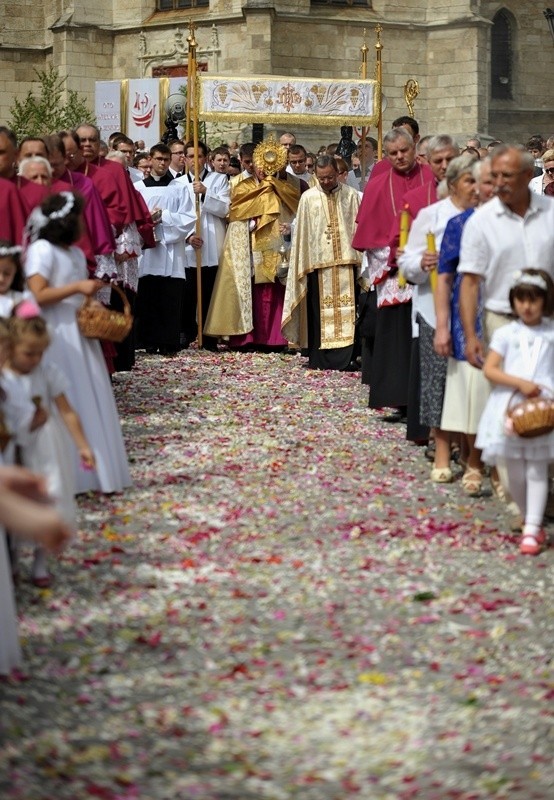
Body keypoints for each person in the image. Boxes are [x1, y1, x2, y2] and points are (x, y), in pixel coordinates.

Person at [23, 191, 132, 494]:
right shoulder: (42, 250)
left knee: (88, 393)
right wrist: (77, 287)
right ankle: (61, 474)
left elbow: (77, 296)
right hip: (55, 333)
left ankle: (91, 471)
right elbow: (38, 294)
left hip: (79, 331)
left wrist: (91, 303)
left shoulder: (72, 253)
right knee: (65, 393)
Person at [398, 153, 479, 483]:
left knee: (471, 386)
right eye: (470, 180)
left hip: (476, 311)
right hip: (435, 308)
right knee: (438, 384)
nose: (477, 188)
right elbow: (407, 262)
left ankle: (473, 454)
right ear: (454, 183)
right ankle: (443, 448)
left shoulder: (486, 217)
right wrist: (423, 261)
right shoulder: (432, 215)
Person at [4, 312, 95, 587]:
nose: (35, 359)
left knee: (48, 494)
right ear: (11, 348)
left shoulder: (47, 373)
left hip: (45, 447)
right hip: (13, 448)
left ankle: (40, 562)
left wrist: (82, 445)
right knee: (16, 500)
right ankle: (13, 559)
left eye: (40, 353)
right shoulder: (4, 377)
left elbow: (67, 412)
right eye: (29, 353)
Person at [352, 127, 433, 421]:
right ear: (386, 155)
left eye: (405, 151)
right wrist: (393, 259)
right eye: (393, 153)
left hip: (429, 272)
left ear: (414, 148)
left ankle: (426, 398)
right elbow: (369, 239)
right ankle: (399, 399)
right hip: (392, 274)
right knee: (397, 337)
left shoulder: (432, 179)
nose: (400, 157)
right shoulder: (377, 184)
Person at [476, 270, 554, 555]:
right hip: (509, 406)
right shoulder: (506, 333)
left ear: (544, 301)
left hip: (544, 406)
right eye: (521, 299)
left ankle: (532, 528)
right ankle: (526, 516)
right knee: (515, 474)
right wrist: (520, 382)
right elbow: (490, 369)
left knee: (536, 469)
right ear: (513, 301)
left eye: (533, 300)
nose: (527, 306)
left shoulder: (551, 332)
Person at [204, 136, 304, 349]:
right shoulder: (239, 185)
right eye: (259, 166)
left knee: (276, 290)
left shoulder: (287, 187)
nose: (262, 170)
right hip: (249, 244)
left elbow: (292, 211)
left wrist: (288, 228)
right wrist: (248, 223)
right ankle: (247, 336)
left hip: (277, 245)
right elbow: (235, 212)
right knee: (250, 291)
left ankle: (276, 338)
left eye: (267, 167)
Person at [433, 158, 495, 495]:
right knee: (472, 392)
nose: (478, 188)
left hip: (509, 310)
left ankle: (491, 462)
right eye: (471, 181)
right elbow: (444, 277)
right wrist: (443, 325)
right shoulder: (459, 224)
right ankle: (474, 459)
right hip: (467, 314)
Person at [282, 155, 361, 370]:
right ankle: (321, 358)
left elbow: (358, 229)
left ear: (338, 173)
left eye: (330, 177)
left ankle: (347, 358)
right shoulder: (308, 198)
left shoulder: (352, 196)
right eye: (322, 178)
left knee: (349, 311)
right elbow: (303, 235)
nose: (326, 182)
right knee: (320, 314)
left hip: (346, 262)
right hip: (319, 265)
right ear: (316, 175)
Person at [134, 156, 197, 355]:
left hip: (172, 254)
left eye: (165, 159)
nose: (162, 163)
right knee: (148, 297)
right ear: (150, 160)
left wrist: (165, 216)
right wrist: (148, 220)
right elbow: (133, 218)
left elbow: (188, 218)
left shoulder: (179, 187)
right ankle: (149, 341)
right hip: (147, 253)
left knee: (170, 299)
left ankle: (169, 342)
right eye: (159, 159)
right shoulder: (138, 188)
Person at [175, 140, 231, 350]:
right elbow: (176, 214)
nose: (194, 161)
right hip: (189, 244)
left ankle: (208, 336)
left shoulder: (219, 180)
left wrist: (206, 192)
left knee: (209, 292)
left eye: (198, 156)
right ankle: (186, 332)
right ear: (185, 159)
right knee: (188, 292)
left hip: (212, 242)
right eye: (190, 156)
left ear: (206, 158)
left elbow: (225, 208)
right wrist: (188, 235)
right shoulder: (178, 184)